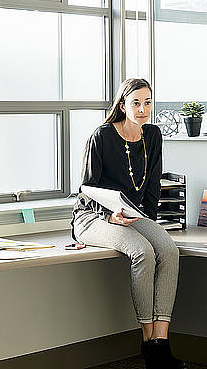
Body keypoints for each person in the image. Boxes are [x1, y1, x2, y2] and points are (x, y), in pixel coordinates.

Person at [71, 78, 185, 369]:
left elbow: (153, 187)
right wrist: (110, 215)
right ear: (122, 105)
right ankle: (149, 344)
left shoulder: (153, 135)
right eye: (136, 102)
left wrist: (150, 222)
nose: (143, 109)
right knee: (142, 252)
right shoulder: (103, 136)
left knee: (168, 250)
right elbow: (87, 188)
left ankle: (161, 340)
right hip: (93, 216)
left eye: (148, 102)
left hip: (133, 214)